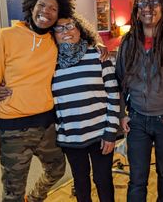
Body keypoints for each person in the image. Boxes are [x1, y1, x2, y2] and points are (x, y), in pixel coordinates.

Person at [0, 0, 75, 201]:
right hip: (13, 129)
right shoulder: (5, 36)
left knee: (57, 170)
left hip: (47, 125)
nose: (46, 12)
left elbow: (78, 31)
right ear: (31, 6)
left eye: (53, 8)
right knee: (13, 192)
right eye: (42, 5)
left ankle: (34, 198)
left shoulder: (55, 40)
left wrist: (96, 42)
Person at [116, 0, 163, 202]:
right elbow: (118, 83)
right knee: (137, 178)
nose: (149, 8)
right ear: (137, 11)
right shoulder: (128, 42)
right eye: (143, 4)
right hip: (137, 120)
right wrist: (122, 113)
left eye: (155, 3)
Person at [52, 15, 120, 202]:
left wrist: (110, 133)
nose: (66, 31)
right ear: (53, 34)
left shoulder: (98, 55)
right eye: (59, 28)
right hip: (70, 137)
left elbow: (113, 94)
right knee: (81, 184)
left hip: (100, 135)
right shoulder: (49, 63)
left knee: (103, 181)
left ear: (80, 28)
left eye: (70, 26)